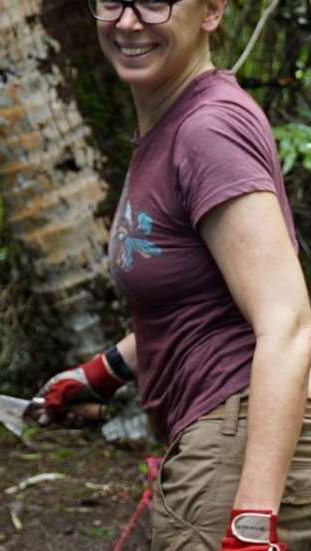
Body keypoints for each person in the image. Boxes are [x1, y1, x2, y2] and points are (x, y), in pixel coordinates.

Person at [31, 1, 311, 550]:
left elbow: (288, 320)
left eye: (156, 0)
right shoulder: (170, 122)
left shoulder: (208, 130)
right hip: (218, 430)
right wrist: (103, 372)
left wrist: (251, 523)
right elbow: (197, 299)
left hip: (233, 437)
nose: (129, 21)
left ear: (210, 11)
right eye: (113, 0)